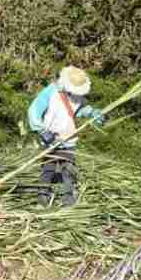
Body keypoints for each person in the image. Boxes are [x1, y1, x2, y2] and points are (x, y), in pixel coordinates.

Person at [27, 66, 105, 207]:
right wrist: (42, 131)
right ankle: (43, 194)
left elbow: (79, 110)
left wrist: (93, 113)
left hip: (68, 138)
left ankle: (67, 196)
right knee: (48, 167)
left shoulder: (77, 95)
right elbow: (33, 111)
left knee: (68, 168)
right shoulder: (50, 92)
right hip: (51, 138)